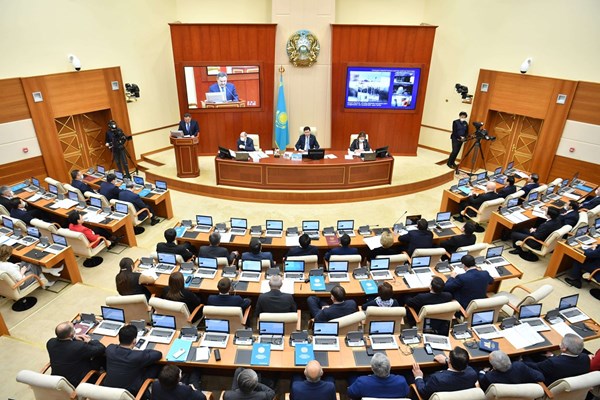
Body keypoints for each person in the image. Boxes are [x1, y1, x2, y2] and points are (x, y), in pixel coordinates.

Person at [104, 324, 162, 395]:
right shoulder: (138, 355)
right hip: (130, 391)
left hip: (109, 390)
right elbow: (158, 354)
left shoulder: (110, 349)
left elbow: (115, 346)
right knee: (156, 366)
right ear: (134, 341)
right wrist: (142, 351)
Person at [46, 321, 106, 387]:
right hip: (77, 381)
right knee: (101, 356)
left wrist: (73, 338)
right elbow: (101, 348)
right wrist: (90, 341)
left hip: (57, 379)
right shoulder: (78, 346)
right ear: (71, 334)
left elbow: (62, 341)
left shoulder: (50, 342)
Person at [412, 347, 478, 399]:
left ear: (450, 361)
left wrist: (418, 377)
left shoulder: (436, 379)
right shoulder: (472, 374)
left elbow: (423, 393)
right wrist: (446, 360)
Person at [478, 350, 544, 392]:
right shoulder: (519, 366)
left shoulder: (489, 377)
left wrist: (482, 372)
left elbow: (482, 386)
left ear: (494, 367)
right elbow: (540, 377)